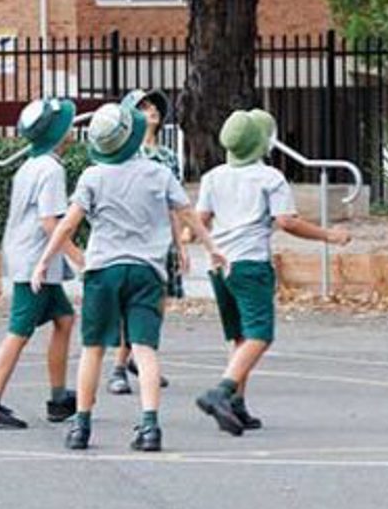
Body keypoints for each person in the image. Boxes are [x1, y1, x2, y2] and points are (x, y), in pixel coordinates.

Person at [30, 102, 226, 452]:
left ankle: (82, 425)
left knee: (92, 350)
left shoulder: (93, 177)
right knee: (145, 348)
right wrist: (210, 247)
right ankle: (150, 426)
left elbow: (69, 223)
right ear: (133, 137)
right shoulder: (158, 174)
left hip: (103, 269)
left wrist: (44, 259)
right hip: (146, 270)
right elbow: (187, 213)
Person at [194, 109, 352, 435]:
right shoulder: (270, 178)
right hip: (251, 263)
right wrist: (329, 235)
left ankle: (237, 403)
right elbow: (287, 222)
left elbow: (201, 219)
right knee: (260, 335)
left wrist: (189, 239)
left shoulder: (213, 177)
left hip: (218, 265)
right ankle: (221, 391)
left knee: (238, 335)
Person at [0, 98, 86, 429]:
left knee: (64, 319)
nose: (72, 129)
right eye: (68, 125)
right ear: (58, 134)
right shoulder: (51, 169)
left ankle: (59, 397)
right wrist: (79, 258)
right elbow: (51, 222)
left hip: (30, 257)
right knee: (19, 331)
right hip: (34, 260)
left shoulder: (32, 164)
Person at [108, 89, 180, 395]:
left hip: (161, 239)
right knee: (130, 305)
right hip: (135, 239)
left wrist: (180, 241)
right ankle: (118, 366)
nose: (152, 111)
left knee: (156, 306)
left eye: (154, 107)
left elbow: (175, 203)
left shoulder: (168, 157)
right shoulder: (128, 157)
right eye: (143, 107)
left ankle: (143, 355)